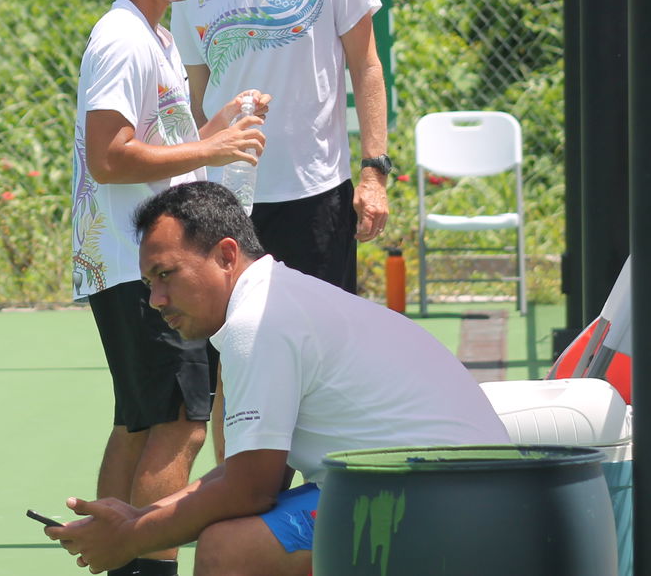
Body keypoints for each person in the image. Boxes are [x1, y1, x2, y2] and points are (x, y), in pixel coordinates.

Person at [47, 181, 509, 575]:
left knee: (229, 550)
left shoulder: (258, 321)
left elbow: (251, 491)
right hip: (468, 495)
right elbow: (250, 472)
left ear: (227, 255)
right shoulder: (279, 298)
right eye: (149, 282)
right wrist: (137, 519)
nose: (157, 299)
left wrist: (129, 540)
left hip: (440, 504)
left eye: (167, 274)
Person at [70, 0, 270, 576]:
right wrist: (212, 151)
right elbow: (110, 153)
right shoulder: (124, 38)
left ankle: (116, 561)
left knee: (140, 420)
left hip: (130, 263)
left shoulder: (151, 33)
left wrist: (221, 127)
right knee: (179, 427)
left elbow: (159, 145)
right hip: (144, 267)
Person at [171, 0, 390, 294]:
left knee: (323, 349)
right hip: (228, 201)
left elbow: (366, 65)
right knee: (232, 351)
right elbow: (197, 97)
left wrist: (374, 171)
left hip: (318, 192)